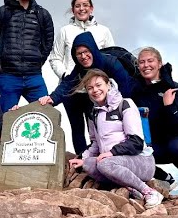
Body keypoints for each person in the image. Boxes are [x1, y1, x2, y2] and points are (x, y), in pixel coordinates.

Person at [67, 70, 163, 208]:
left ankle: (149, 192)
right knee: (88, 164)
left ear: (108, 85)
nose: (95, 90)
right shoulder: (93, 113)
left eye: (99, 85)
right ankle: (131, 187)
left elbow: (136, 142)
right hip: (113, 161)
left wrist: (111, 153)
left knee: (104, 164)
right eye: (90, 88)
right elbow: (95, 143)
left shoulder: (125, 104)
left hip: (141, 161)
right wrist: (83, 158)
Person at [130, 47, 178, 199]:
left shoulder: (174, 88)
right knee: (133, 154)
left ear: (159, 64)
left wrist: (169, 106)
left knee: (177, 146)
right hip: (161, 143)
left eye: (150, 61)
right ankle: (166, 178)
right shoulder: (137, 92)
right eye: (142, 62)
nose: (146, 65)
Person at [39, 31, 132, 154]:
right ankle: (83, 160)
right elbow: (67, 84)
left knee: (103, 127)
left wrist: (120, 108)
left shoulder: (111, 63)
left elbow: (126, 87)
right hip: (88, 98)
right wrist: (52, 98)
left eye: (86, 52)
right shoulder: (79, 68)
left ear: (93, 50)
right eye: (79, 53)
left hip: (113, 102)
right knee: (81, 129)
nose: (83, 56)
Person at [48, 0, 115, 155]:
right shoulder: (65, 31)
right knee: (77, 129)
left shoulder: (103, 31)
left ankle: (102, 160)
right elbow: (55, 58)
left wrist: (106, 83)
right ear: (73, 10)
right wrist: (65, 75)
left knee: (98, 126)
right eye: (77, 6)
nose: (81, 8)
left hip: (94, 89)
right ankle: (82, 163)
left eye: (85, 5)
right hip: (71, 89)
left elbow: (112, 56)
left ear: (91, 8)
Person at [0, 0, 54, 112]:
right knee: (7, 119)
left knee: (47, 113)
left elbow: (48, 43)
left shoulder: (42, 14)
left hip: (34, 76)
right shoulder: (1, 13)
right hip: (8, 76)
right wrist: (2, 62)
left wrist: (37, 60)